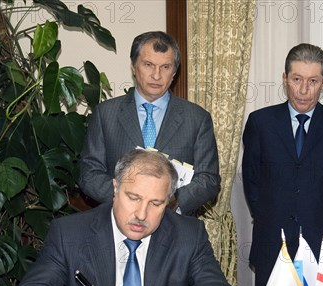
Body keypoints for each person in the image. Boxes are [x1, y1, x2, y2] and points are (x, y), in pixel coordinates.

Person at [9, 149, 240, 286]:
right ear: (115, 188)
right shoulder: (70, 233)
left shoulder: (188, 234)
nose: (141, 214)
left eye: (155, 203)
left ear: (169, 202)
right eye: (133, 198)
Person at [242, 43, 323, 286]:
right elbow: (252, 181)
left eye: (313, 81)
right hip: (272, 241)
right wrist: (270, 215)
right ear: (285, 79)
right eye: (296, 79)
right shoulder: (260, 122)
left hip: (321, 243)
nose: (304, 90)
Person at [80, 31, 220, 215]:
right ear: (133, 67)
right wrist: (127, 199)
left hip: (174, 225)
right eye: (148, 65)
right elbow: (89, 174)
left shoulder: (197, 118)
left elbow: (208, 179)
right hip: (116, 221)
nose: (156, 75)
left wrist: (172, 200)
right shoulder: (105, 114)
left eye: (165, 67)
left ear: (174, 72)